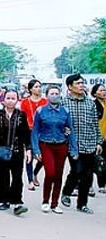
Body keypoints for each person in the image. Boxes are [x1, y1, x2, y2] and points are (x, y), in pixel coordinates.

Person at [60, 74, 103, 214]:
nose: (81, 85)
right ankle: (66, 192)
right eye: (78, 83)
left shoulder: (90, 103)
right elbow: (59, 123)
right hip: (72, 144)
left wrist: (98, 142)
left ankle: (82, 204)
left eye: (82, 83)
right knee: (77, 170)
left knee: (87, 175)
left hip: (89, 143)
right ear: (70, 87)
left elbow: (95, 125)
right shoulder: (64, 103)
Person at [31, 85, 77, 213]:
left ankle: (54, 203)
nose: (54, 95)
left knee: (58, 174)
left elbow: (70, 130)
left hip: (61, 145)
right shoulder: (41, 111)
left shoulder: (65, 112)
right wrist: (36, 150)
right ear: (47, 95)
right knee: (50, 173)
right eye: (52, 93)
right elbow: (35, 132)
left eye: (57, 93)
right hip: (46, 145)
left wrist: (74, 149)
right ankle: (45, 200)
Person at [0, 89, 31, 216]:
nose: (10, 101)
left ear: (17, 100)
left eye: (13, 98)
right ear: (3, 100)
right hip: (1, 150)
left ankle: (17, 202)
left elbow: (25, 133)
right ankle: (4, 199)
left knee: (17, 177)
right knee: (1, 177)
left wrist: (28, 149)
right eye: (8, 98)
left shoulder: (21, 115)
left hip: (16, 151)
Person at [20, 79, 47, 190]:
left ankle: (35, 173)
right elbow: (21, 117)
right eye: (36, 86)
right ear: (30, 89)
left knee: (43, 157)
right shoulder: (25, 102)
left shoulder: (45, 102)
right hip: (29, 131)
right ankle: (30, 180)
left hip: (43, 132)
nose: (38, 88)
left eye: (40, 86)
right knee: (29, 155)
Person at [91, 83, 106, 193]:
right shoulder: (93, 105)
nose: (103, 92)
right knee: (95, 162)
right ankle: (89, 185)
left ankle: (102, 184)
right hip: (98, 137)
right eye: (101, 90)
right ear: (95, 93)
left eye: (104, 90)